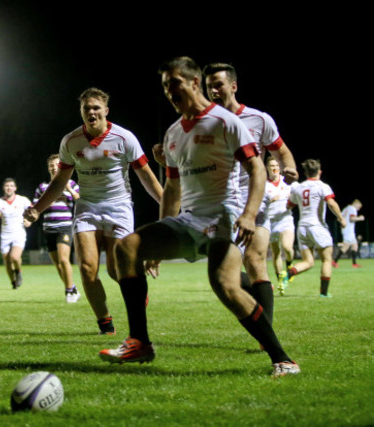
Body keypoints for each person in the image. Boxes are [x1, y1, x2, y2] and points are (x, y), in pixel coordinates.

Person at [99, 57, 299, 377]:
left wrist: (249, 215)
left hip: (226, 215)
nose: (169, 91)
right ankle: (140, 341)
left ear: (194, 82)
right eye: (165, 86)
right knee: (127, 248)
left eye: (174, 83)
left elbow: (257, 169)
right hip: (190, 220)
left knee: (224, 284)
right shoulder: (174, 133)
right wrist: (163, 227)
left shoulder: (225, 122)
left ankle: (282, 359)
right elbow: (173, 188)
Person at [24, 87, 163, 335]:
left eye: (96, 107)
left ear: (106, 111)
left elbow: (147, 178)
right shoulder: (70, 141)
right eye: (86, 108)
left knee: (114, 269)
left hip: (119, 206)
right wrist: (37, 209)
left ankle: (137, 287)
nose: (91, 112)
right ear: (81, 112)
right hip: (87, 206)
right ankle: (105, 324)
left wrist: (167, 205)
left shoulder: (124, 138)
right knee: (88, 268)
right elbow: (59, 181)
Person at [202, 62, 298, 326]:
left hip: (253, 196)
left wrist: (289, 166)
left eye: (218, 84)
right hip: (219, 201)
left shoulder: (259, 119)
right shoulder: (204, 123)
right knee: (222, 273)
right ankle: (258, 296)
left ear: (233, 86)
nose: (213, 90)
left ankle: (266, 334)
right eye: (209, 86)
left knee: (255, 259)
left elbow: (282, 151)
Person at [287, 159, 346, 297]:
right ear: (319, 172)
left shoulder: (299, 187)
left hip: (302, 227)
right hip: (317, 226)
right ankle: (324, 293)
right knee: (326, 259)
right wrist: (340, 218)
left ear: (306, 172)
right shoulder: (322, 186)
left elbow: (289, 205)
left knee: (308, 261)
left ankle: (288, 273)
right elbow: (331, 203)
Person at [33, 154, 81, 303]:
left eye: (57, 165)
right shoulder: (42, 188)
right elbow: (35, 208)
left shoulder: (72, 184)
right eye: (51, 166)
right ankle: (72, 287)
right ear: (48, 168)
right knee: (57, 264)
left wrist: (67, 188)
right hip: (48, 228)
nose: (54, 168)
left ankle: (69, 292)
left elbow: (80, 200)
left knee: (63, 259)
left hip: (64, 227)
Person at [0, 178, 32, 289]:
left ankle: (18, 271)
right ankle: (13, 282)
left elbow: (33, 212)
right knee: (7, 261)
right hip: (5, 235)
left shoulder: (23, 200)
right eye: (7, 186)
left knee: (15, 257)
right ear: (4, 188)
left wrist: (29, 221)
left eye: (11, 186)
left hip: (19, 233)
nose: (9, 188)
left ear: (15, 188)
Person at [265, 157, 297, 295]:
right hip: (270, 221)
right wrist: (271, 199)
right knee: (276, 253)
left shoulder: (287, 182)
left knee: (287, 247)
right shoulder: (264, 185)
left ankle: (289, 265)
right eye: (271, 165)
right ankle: (281, 280)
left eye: (276, 165)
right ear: (267, 168)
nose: (274, 168)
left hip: (285, 219)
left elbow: (298, 194)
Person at [333, 199, 364, 268]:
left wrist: (342, 224)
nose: (358, 209)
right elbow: (352, 219)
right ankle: (334, 261)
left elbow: (339, 218)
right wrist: (360, 218)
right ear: (356, 204)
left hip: (346, 229)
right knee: (346, 246)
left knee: (355, 246)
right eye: (359, 207)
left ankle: (354, 264)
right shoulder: (353, 209)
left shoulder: (346, 208)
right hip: (348, 230)